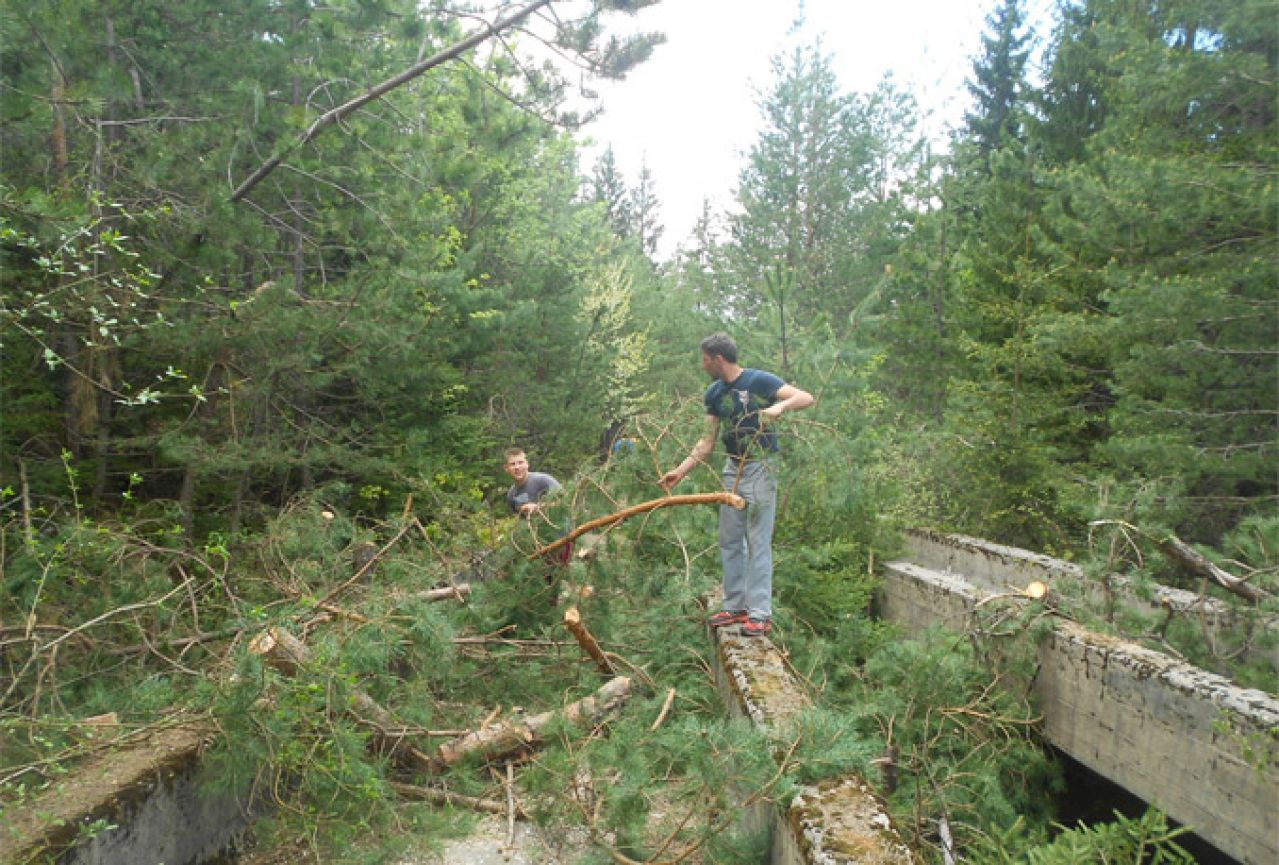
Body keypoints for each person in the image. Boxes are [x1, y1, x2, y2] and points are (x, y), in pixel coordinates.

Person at [659, 333, 814, 638]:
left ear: (718, 359)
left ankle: (759, 614)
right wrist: (680, 472)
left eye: (705, 359)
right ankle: (735, 606)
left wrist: (780, 408)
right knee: (730, 540)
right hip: (733, 469)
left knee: (758, 541)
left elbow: (805, 397)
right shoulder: (714, 393)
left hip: (762, 466)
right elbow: (706, 441)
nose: (702, 365)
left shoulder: (759, 380)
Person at [504, 447, 561, 516]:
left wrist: (538, 507)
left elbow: (566, 501)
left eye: (520, 462)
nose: (517, 467)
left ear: (527, 464)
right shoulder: (511, 494)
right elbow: (519, 519)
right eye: (513, 464)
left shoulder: (543, 480)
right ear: (506, 468)